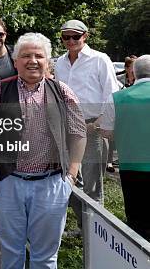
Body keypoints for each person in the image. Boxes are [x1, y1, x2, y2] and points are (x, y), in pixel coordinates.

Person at [0, 32, 86, 269]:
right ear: (15, 61)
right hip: (8, 182)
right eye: (26, 55)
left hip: (51, 184)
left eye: (39, 56)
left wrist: (72, 171)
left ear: (48, 62)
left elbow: (78, 132)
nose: (33, 60)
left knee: (45, 256)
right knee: (11, 251)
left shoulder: (62, 92)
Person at [54, 20, 119, 208]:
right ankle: (85, 227)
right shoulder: (60, 62)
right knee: (71, 179)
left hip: (92, 127)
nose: (71, 40)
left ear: (85, 36)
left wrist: (99, 124)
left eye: (76, 36)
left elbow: (111, 94)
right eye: (66, 37)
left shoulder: (100, 59)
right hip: (68, 127)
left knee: (92, 185)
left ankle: (93, 234)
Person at [99, 54, 150, 241]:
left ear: (133, 74)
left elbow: (106, 132)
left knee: (136, 217)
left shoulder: (117, 98)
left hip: (131, 166)